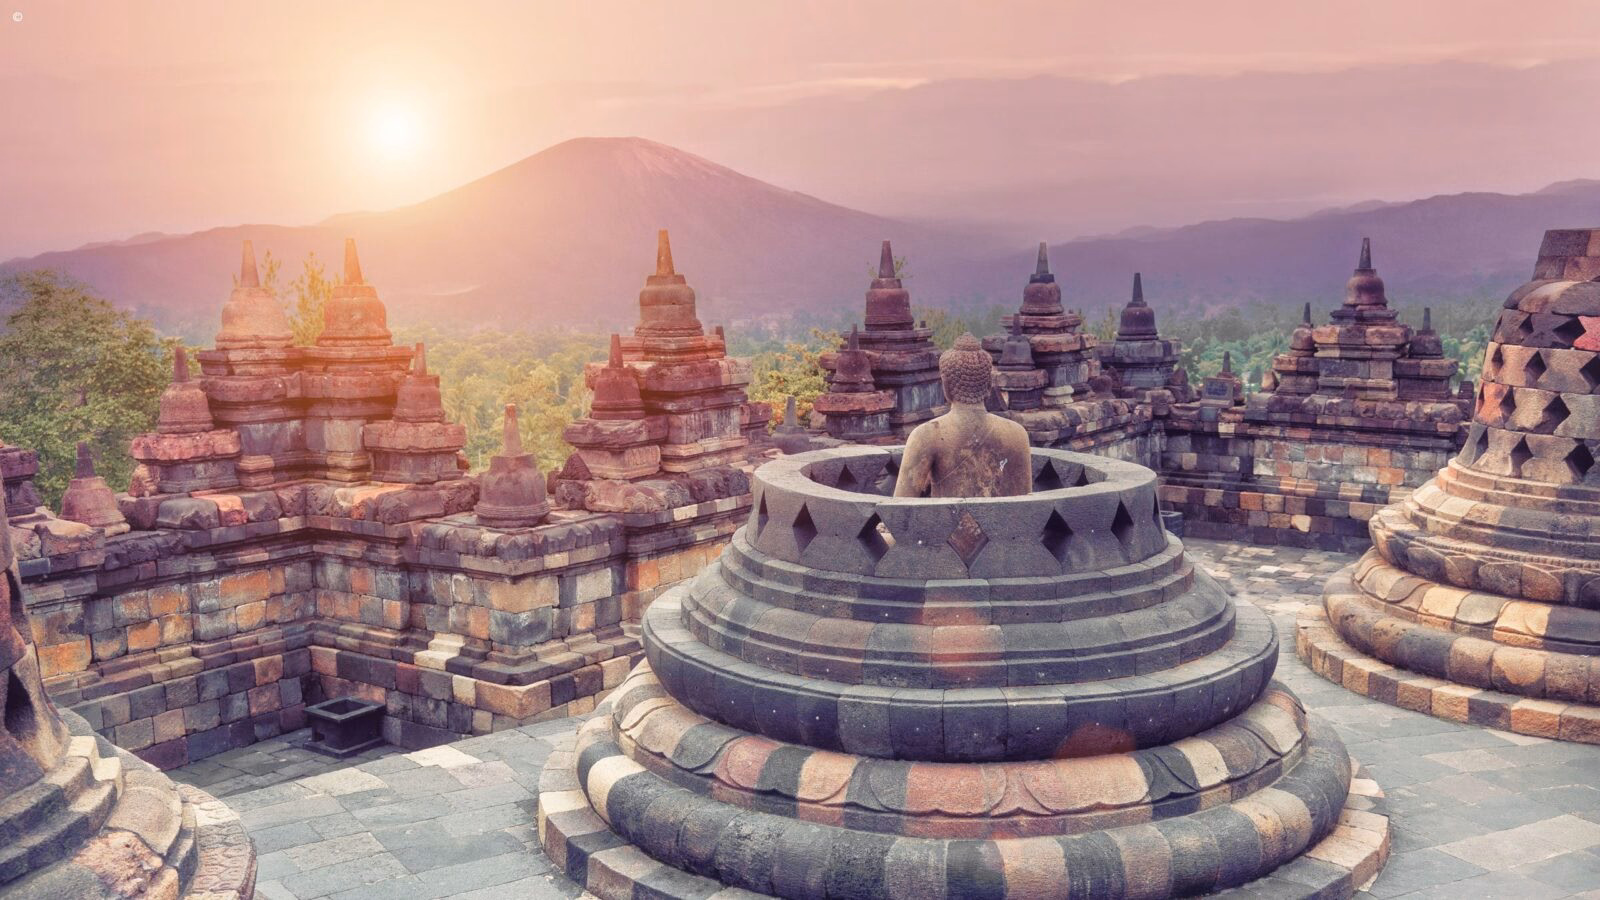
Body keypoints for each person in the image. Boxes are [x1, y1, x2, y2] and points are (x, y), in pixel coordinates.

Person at [895, 333, 1032, 498]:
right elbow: (1026, 504)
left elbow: (901, 506)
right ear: (989, 385)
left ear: (946, 386)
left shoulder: (926, 435)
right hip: (1004, 516)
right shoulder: (1017, 434)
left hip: (947, 517)